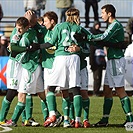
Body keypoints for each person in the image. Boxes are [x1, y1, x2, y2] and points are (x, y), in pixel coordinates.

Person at [74, 4, 133, 127]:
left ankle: (130, 120)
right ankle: (105, 120)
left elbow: (103, 37)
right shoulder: (111, 25)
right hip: (111, 61)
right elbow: (104, 40)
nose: (101, 15)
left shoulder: (115, 25)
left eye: (103, 13)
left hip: (116, 61)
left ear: (109, 13)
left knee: (120, 89)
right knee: (107, 90)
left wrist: (86, 37)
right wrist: (88, 39)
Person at [43, 8, 92, 128]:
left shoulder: (60, 26)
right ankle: (77, 120)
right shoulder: (79, 29)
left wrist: (37, 46)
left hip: (60, 57)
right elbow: (91, 38)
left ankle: (53, 114)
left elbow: (51, 43)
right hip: (74, 58)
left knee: (51, 88)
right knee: (75, 89)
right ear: (78, 16)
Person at [89, 21, 106, 96]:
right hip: (95, 62)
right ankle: (95, 92)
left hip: (100, 60)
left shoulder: (100, 44)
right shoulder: (93, 45)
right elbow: (91, 55)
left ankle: (97, 91)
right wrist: (91, 64)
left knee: (99, 77)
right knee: (96, 77)